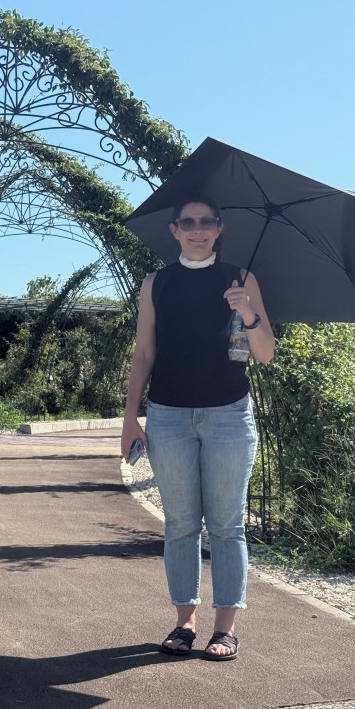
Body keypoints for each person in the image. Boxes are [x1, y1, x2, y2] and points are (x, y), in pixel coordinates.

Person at [121, 196, 275, 660]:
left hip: (228, 414)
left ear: (219, 228)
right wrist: (130, 418)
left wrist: (247, 311)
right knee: (181, 525)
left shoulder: (241, 279)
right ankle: (184, 622)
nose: (197, 229)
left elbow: (265, 352)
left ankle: (224, 629)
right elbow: (144, 352)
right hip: (168, 415)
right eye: (187, 222)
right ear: (174, 230)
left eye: (207, 221)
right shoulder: (156, 283)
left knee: (227, 525)